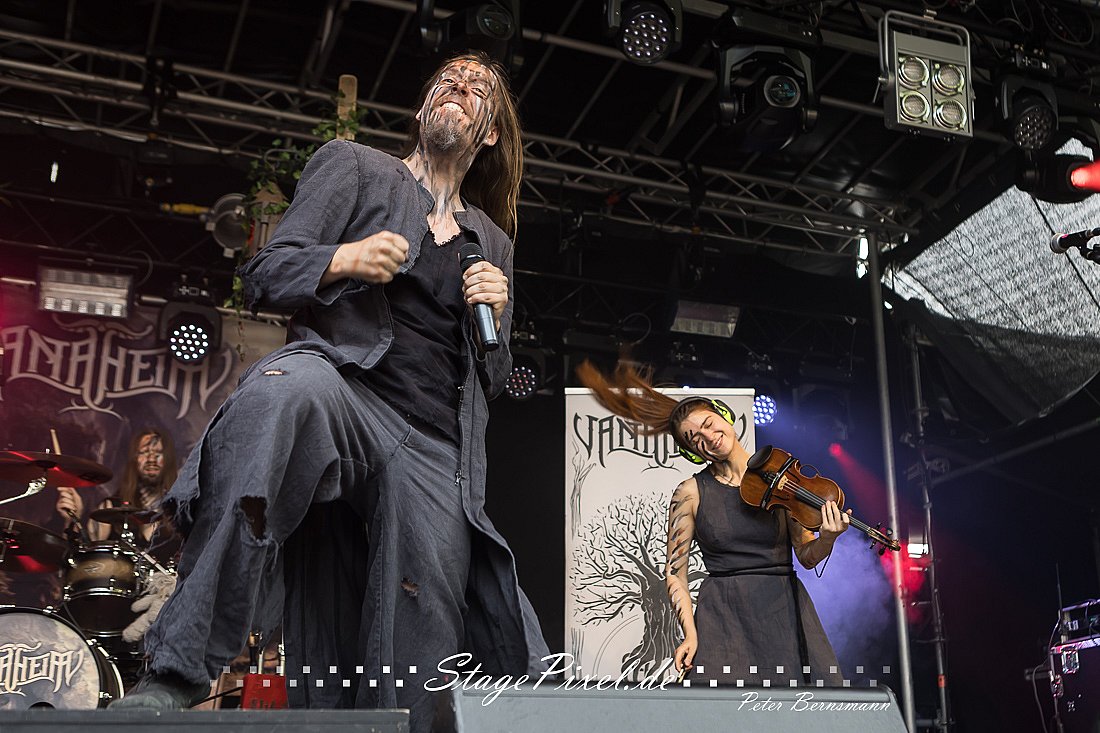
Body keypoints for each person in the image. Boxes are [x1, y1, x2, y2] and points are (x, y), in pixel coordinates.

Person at [111, 50, 550, 731]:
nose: (460, 86)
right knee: (276, 396)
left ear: (490, 132)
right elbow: (266, 274)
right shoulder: (356, 167)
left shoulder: (493, 241)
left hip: (434, 442)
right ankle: (177, 671)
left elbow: (491, 381)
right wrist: (343, 259)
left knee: (424, 624)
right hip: (344, 388)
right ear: (422, 107)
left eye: (478, 87)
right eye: (449, 79)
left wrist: (493, 314)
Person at [576, 360, 849, 686]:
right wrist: (690, 635)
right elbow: (675, 574)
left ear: (724, 416)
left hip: (783, 610)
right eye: (695, 438)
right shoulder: (690, 493)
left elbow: (806, 555)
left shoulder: (781, 477)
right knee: (723, 707)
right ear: (694, 452)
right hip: (724, 616)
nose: (708, 436)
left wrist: (827, 538)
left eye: (709, 423)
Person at [55, 428, 179, 550]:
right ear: (134, 460)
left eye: (158, 453)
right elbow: (82, 555)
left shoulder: (182, 511)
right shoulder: (110, 508)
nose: (151, 459)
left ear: (168, 460)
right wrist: (73, 519)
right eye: (144, 452)